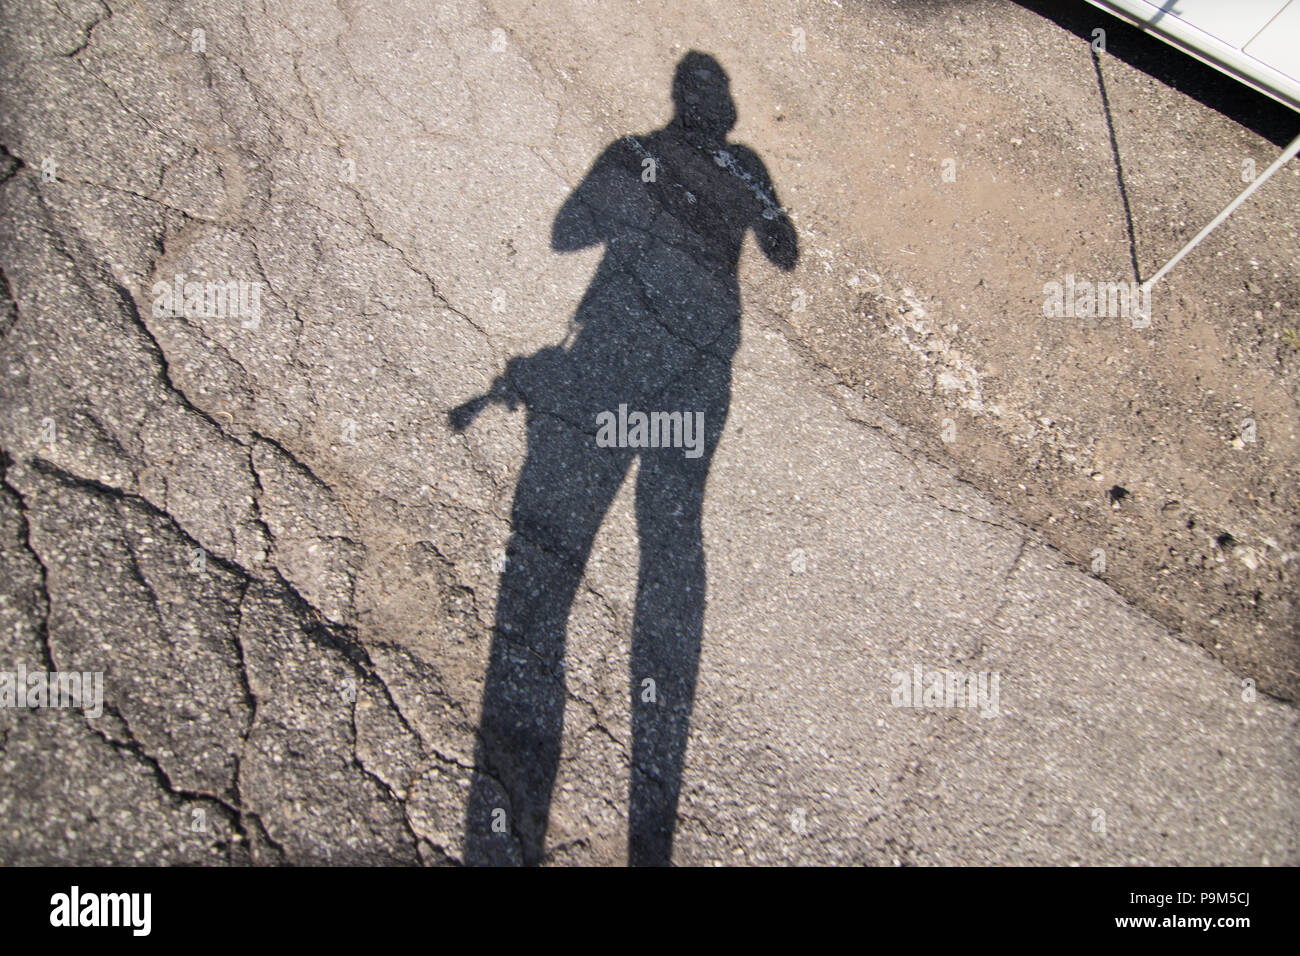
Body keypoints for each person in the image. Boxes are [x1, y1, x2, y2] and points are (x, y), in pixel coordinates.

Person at [454, 51, 798, 865]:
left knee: (574, 561)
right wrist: (723, 205)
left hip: (622, 359)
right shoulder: (735, 164)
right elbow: (783, 247)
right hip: (692, 366)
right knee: (667, 539)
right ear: (717, 110)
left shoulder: (642, 155)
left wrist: (645, 206)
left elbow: (567, 232)